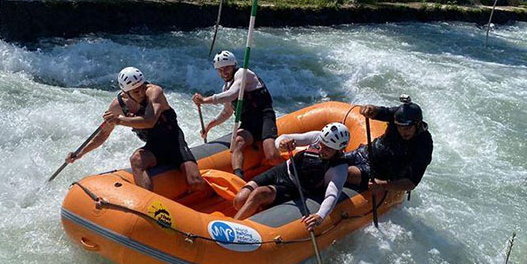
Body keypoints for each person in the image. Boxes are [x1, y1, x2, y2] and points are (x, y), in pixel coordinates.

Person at [65, 67, 206, 192]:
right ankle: (149, 203)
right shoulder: (117, 106)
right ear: (125, 92)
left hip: (174, 142)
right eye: (136, 91)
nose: (141, 93)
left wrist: (119, 120)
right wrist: (80, 153)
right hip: (154, 147)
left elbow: (150, 121)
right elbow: (103, 135)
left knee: (196, 183)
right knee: (136, 159)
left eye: (142, 87)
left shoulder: (154, 92)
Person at [232, 123, 352, 232]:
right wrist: (283, 144)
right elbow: (282, 139)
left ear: (339, 150)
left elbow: (332, 194)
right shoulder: (317, 137)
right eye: (321, 144)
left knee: (259, 193)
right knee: (240, 200)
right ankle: (256, 211)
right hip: (282, 171)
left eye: (327, 149)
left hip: (294, 188)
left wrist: (320, 215)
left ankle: (231, 228)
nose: (321, 149)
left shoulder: (339, 167)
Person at [192, 50, 280, 179]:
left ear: (234, 65)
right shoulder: (226, 88)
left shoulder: (243, 74)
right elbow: (227, 112)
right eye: (220, 70)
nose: (224, 73)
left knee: (271, 155)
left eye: (227, 68)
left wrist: (205, 100)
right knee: (237, 142)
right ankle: (238, 177)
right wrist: (209, 126)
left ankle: (285, 175)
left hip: (264, 117)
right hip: (249, 123)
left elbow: (234, 93)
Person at [343, 95, 433, 195]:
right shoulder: (397, 115)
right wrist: (369, 109)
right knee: (335, 160)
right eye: (399, 127)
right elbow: (378, 112)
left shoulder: (424, 144)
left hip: (381, 172)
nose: (403, 131)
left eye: (407, 128)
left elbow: (412, 182)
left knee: (348, 173)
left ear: (418, 124)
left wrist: (383, 185)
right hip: (367, 153)